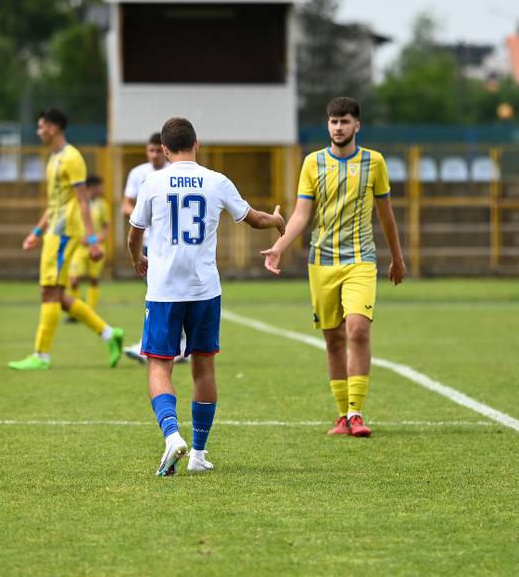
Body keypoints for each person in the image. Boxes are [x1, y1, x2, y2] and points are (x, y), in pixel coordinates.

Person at [128, 117, 285, 476]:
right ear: (197, 143)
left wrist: (138, 260)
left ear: (164, 149)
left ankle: (171, 436)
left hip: (165, 289)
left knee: (158, 365)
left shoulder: (152, 182)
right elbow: (254, 219)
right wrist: (276, 220)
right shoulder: (217, 181)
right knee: (204, 367)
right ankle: (198, 453)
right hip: (204, 290)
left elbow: (135, 233)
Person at [261, 97, 406, 438]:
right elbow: (301, 214)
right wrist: (280, 246)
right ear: (328, 125)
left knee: (357, 329)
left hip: (360, 259)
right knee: (333, 339)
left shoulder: (374, 162)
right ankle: (342, 415)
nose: (338, 127)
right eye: (333, 121)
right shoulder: (313, 163)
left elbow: (386, 214)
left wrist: (397, 257)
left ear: (357, 125)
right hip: (321, 261)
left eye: (344, 121)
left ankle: (356, 413)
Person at [9, 108, 124, 370]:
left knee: (49, 291)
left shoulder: (72, 158)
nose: (39, 132)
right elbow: (54, 205)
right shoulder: (53, 160)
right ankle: (109, 334)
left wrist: (93, 240)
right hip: (54, 232)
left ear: (54, 128)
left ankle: (41, 355)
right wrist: (37, 232)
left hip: (65, 233)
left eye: (41, 127)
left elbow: (82, 201)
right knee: (56, 294)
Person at [120, 134, 188, 365]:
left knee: (161, 291)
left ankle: (158, 344)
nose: (154, 155)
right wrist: (141, 215)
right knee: (158, 290)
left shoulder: (175, 173)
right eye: (150, 151)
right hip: (147, 242)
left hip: (169, 243)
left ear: (164, 150)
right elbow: (125, 204)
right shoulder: (139, 174)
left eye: (158, 151)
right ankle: (172, 343)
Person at [66, 175, 110, 317]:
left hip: (97, 247)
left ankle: (89, 311)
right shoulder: (76, 203)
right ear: (92, 187)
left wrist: (96, 239)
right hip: (79, 247)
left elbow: (106, 227)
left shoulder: (103, 205)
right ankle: (75, 311)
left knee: (94, 279)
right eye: (100, 186)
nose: (103, 189)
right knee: (73, 279)